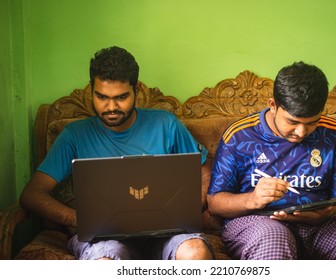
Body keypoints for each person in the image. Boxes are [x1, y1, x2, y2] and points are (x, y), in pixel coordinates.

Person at [20, 46, 214, 260]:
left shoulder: (165, 124)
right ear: (91, 90)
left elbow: (205, 172)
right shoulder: (73, 135)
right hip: (103, 239)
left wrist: (187, 212)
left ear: (136, 90)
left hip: (167, 234)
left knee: (194, 253)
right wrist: (78, 219)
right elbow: (32, 194)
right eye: (101, 97)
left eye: (121, 97)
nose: (111, 106)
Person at [207, 61, 336, 260]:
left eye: (312, 123)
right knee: (274, 236)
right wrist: (252, 199)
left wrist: (324, 214)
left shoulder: (334, 133)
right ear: (273, 105)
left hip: (321, 228)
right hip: (257, 224)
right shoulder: (239, 136)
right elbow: (215, 202)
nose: (301, 132)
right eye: (292, 122)